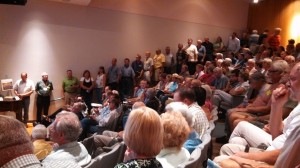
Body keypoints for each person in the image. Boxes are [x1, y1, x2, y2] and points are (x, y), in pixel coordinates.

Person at [0, 116, 80, 168]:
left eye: (53, 127)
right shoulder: (71, 164)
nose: (50, 129)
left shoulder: (52, 157)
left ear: (31, 137)